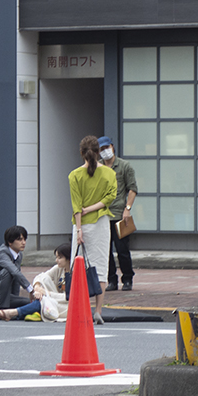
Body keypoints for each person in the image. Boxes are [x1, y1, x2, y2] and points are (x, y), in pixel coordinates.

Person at [69, 135, 117, 325]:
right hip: (101, 224)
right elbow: (111, 197)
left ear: (81, 153)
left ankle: (82, 309)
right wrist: (92, 208)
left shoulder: (74, 175)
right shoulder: (109, 173)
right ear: (98, 152)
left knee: (79, 267)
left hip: (82, 225)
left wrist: (79, 229)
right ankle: (98, 310)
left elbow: (76, 206)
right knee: (100, 267)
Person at [0, 243, 71, 322]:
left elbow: (69, 297)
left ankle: (11, 313)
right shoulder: (59, 268)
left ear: (68, 258)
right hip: (54, 300)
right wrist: (37, 287)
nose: (57, 260)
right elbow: (40, 276)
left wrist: (47, 293)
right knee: (44, 279)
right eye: (56, 257)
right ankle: (20, 313)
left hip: (67, 305)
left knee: (42, 303)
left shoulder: (74, 273)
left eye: (60, 258)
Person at [98, 136, 138, 292]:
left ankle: (127, 279)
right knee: (105, 251)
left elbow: (132, 188)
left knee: (122, 250)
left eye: (106, 147)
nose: (105, 151)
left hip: (119, 215)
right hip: (102, 215)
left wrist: (127, 208)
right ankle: (111, 280)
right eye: (101, 149)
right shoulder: (98, 167)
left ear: (112, 147)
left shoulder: (124, 166)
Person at [0, 225, 34, 311]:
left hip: (3, 296)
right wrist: (31, 290)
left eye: (24, 239)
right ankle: (3, 310)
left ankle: (9, 308)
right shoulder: (2, 253)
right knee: (8, 271)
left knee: (31, 302)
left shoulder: (18, 255)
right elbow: (15, 272)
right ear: (10, 242)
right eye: (20, 240)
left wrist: (15, 299)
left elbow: (16, 279)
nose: (23, 243)